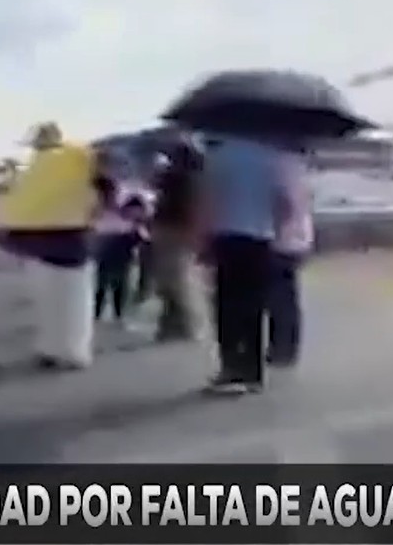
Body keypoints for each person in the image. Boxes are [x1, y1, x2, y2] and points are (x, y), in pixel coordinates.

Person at [0, 121, 99, 370]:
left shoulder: (35, 171)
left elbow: (11, 204)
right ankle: (72, 353)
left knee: (48, 301)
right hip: (73, 239)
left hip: (40, 244)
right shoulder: (80, 159)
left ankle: (52, 349)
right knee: (73, 303)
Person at [200, 133, 289, 395]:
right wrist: (275, 227)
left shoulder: (217, 158)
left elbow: (207, 202)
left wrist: (203, 241)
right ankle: (253, 372)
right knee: (254, 306)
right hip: (261, 239)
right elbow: (284, 203)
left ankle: (230, 367)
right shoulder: (271, 158)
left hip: (227, 236)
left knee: (227, 305)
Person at [148, 141, 205, 342]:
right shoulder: (193, 179)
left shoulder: (178, 179)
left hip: (172, 229)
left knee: (175, 280)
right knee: (176, 279)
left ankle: (184, 324)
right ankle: (175, 324)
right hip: (176, 229)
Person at [267, 145, 313, 366]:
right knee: (286, 296)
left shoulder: (282, 168)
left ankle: (282, 349)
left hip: (281, 239)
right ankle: (284, 348)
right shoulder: (300, 170)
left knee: (280, 297)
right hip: (298, 238)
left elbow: (284, 204)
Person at [91, 177, 144, 329]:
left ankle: (113, 314)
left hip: (118, 243)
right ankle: (104, 314)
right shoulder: (101, 206)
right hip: (110, 242)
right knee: (106, 281)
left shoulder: (125, 201)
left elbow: (138, 216)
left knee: (117, 281)